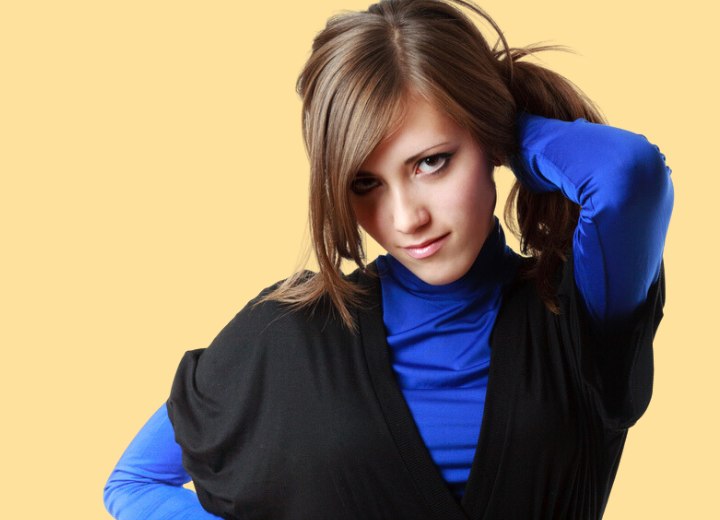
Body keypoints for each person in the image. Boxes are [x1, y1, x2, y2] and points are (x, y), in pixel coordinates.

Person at [103, 0, 674, 518]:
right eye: (365, 182)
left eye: (431, 162)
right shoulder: (289, 334)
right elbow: (133, 484)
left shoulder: (579, 312)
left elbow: (626, 175)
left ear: (489, 143)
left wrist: (501, 120)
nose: (405, 220)